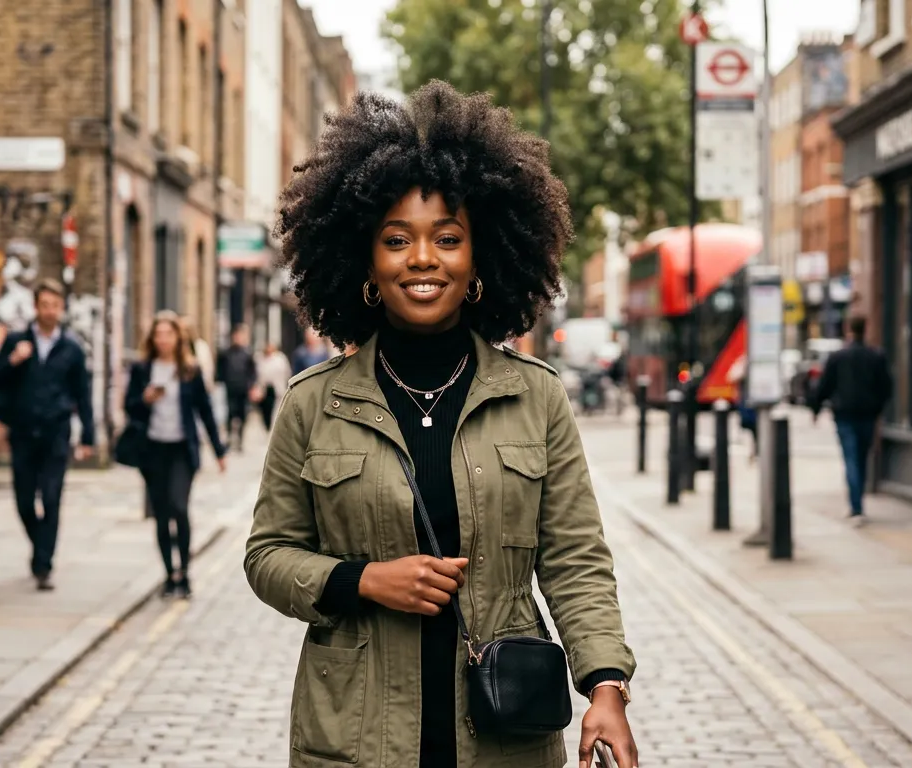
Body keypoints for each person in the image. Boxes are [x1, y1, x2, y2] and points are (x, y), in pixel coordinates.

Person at [245, 82, 638, 768]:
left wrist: (605, 687)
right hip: (357, 735)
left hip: (503, 737)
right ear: (366, 259)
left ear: (479, 257)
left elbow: (576, 561)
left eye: (447, 239)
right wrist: (362, 580)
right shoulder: (314, 402)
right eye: (397, 239)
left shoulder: (536, 397)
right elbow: (269, 554)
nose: (423, 258)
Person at [0, 278, 95, 591]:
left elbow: (82, 395)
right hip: (22, 433)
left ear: (61, 309)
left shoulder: (71, 348)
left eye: (55, 305)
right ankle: (41, 546)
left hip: (56, 435)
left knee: (50, 499)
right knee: (23, 502)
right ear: (35, 306)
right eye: (44, 305)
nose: (49, 311)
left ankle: (43, 565)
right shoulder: (18, 340)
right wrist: (13, 360)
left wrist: (88, 437)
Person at [123, 311, 227, 598]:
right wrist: (144, 399)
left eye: (169, 334)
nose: (163, 339)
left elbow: (205, 411)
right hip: (153, 449)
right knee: (161, 513)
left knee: (179, 508)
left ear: (177, 338)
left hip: (182, 449)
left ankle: (185, 572)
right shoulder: (142, 369)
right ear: (152, 338)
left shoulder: (189, 370)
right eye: (159, 334)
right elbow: (129, 407)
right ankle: (170, 575)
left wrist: (219, 451)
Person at [807, 315, 893, 525]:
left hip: (845, 415)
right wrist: (878, 408)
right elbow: (886, 387)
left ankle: (856, 507)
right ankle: (857, 502)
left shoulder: (838, 357)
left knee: (851, 458)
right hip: (867, 415)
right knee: (861, 457)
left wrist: (816, 408)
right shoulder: (875, 356)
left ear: (848, 329)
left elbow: (825, 385)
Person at [217, 324, 257, 452]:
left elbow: (252, 373)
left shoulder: (247, 354)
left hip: (243, 389)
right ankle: (229, 437)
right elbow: (220, 371)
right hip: (230, 388)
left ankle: (240, 439)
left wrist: (252, 387)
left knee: (242, 414)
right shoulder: (225, 353)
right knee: (230, 413)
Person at [253, 342, 291, 432]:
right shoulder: (260, 358)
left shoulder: (280, 359)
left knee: (276, 411)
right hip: (264, 389)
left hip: (277, 388)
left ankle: (274, 430)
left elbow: (287, 373)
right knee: (265, 411)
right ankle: (267, 428)